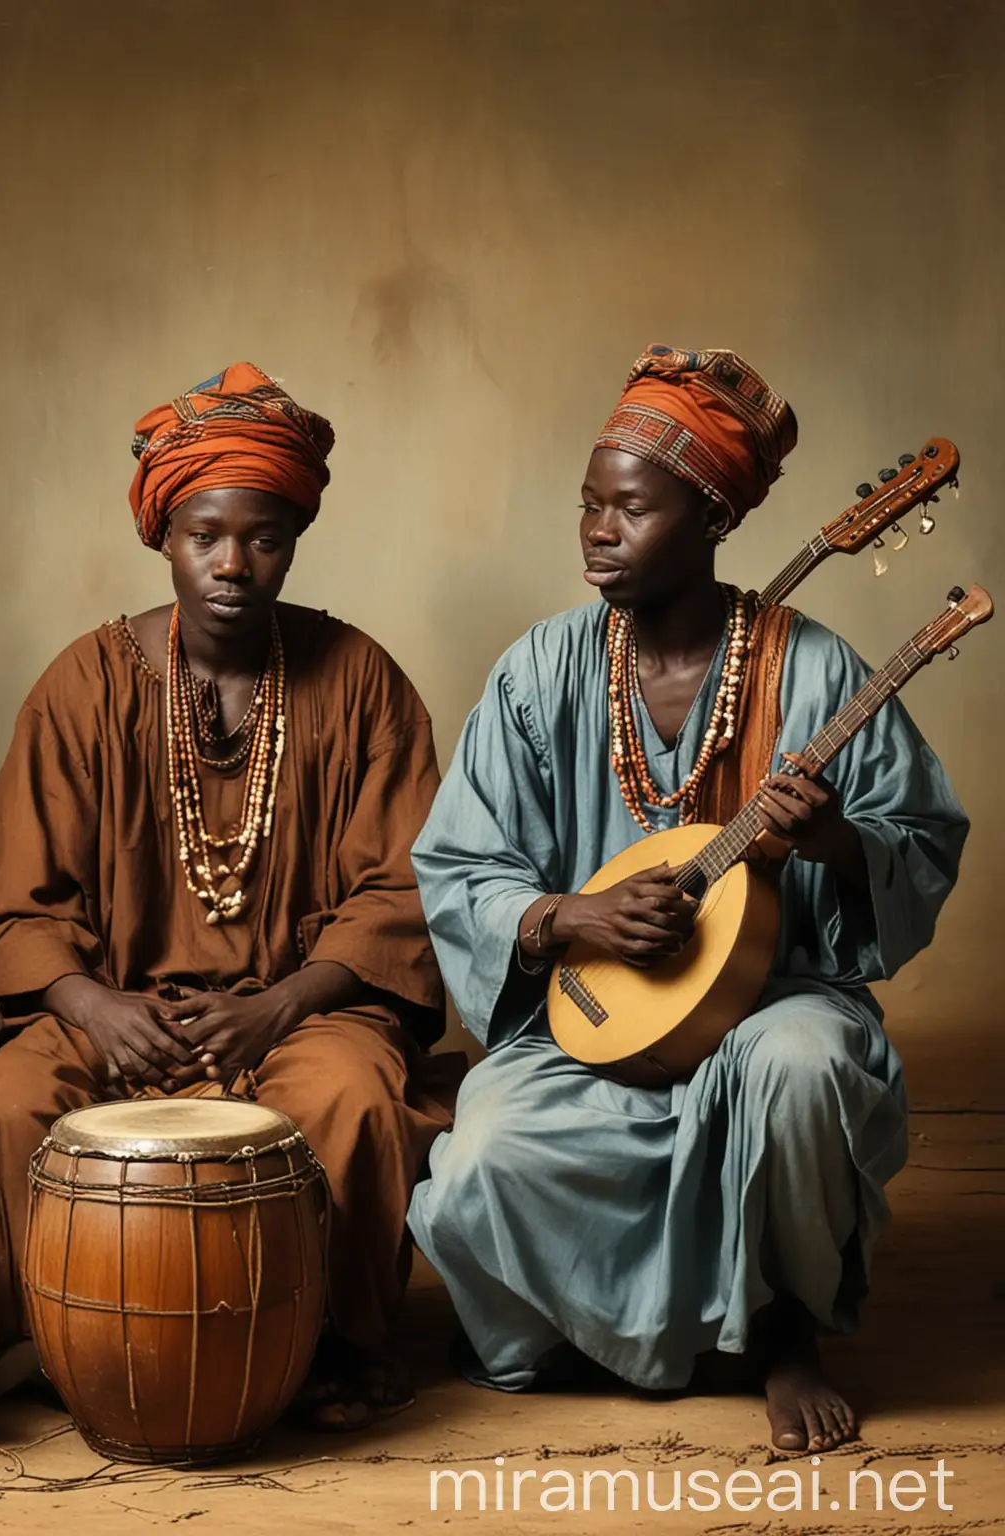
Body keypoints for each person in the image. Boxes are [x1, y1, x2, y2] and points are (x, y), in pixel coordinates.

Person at [407, 345, 968, 1453]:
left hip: (773, 999)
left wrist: (837, 843)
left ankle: (783, 1330)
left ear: (712, 520)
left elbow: (920, 838)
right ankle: (589, 1325)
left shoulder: (812, 671)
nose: (595, 532)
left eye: (630, 510)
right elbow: (461, 862)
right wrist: (568, 918)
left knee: (800, 1070)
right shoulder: (542, 672)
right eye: (587, 505)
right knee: (480, 1151)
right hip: (602, 1012)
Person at [0, 363, 448, 1429]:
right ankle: (29, 1348)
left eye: (263, 538)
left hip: (302, 1012)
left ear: (294, 538)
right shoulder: (83, 687)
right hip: (114, 1014)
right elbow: (17, 905)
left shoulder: (361, 681)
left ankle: (329, 1351)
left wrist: (280, 1004)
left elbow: (403, 893)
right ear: (162, 535)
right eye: (205, 534)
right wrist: (96, 1010)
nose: (232, 564)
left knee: (350, 1102)